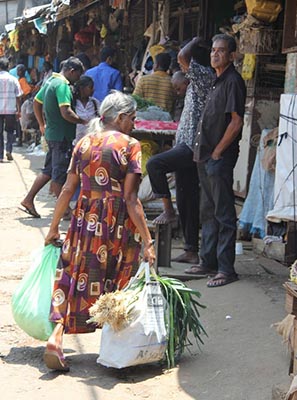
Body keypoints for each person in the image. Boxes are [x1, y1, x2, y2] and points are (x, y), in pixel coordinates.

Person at [43, 91, 156, 371]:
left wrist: (54, 226)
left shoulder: (83, 143)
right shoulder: (130, 145)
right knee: (120, 281)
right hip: (116, 224)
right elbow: (131, 199)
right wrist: (148, 240)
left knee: (73, 274)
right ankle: (119, 352)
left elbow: (68, 189)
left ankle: (56, 338)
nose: (135, 121)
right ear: (119, 118)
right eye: (131, 117)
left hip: (84, 220)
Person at [146, 39, 214, 265]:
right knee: (187, 198)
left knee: (154, 164)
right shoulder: (196, 82)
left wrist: (195, 39)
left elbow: (182, 58)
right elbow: (182, 60)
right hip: (186, 145)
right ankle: (190, 249)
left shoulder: (203, 77)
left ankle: (168, 210)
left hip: (191, 146)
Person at [190, 34, 246, 287]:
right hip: (207, 155)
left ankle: (226, 269)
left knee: (223, 213)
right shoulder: (217, 80)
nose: (215, 54)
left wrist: (217, 151)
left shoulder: (233, 81)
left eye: (221, 51)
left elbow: (236, 122)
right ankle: (208, 261)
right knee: (208, 211)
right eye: (213, 50)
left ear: (232, 55)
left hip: (218, 157)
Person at [20, 57, 86, 218]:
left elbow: (36, 102)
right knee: (59, 174)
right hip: (61, 137)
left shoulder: (50, 81)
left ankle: (28, 199)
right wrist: (83, 121)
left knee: (48, 170)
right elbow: (66, 112)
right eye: (78, 76)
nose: (78, 80)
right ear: (72, 71)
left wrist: (42, 124)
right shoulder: (62, 85)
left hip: (52, 134)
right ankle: (63, 209)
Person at [0, 57, 22, 162]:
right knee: (10, 131)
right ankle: (9, 150)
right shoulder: (14, 79)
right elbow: (18, 96)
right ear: (8, 67)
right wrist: (19, 110)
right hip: (10, 109)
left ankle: (0, 155)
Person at [73, 75, 100, 144]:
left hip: (92, 142)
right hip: (76, 142)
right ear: (82, 89)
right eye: (90, 87)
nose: (93, 90)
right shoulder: (73, 103)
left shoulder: (95, 103)